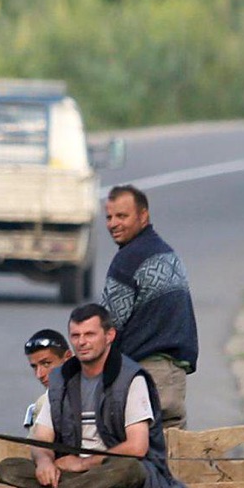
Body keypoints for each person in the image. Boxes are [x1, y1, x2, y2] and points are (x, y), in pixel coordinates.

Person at [0, 305, 210, 488]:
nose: (82, 342)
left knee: (129, 469)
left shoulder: (130, 378)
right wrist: (45, 462)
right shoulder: (61, 380)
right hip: (70, 471)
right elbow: (41, 439)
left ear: (109, 336)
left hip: (111, 467)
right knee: (8, 468)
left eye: (90, 334)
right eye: (76, 336)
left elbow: (137, 447)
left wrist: (84, 463)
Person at [100, 184, 198, 430]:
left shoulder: (127, 260)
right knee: (173, 452)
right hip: (173, 376)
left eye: (122, 216)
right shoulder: (167, 253)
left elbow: (108, 327)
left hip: (145, 375)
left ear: (143, 216)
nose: (113, 224)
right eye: (109, 217)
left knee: (138, 458)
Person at [22, 329, 72, 432]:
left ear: (68, 358)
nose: (39, 374)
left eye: (46, 364)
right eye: (34, 367)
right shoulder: (43, 402)